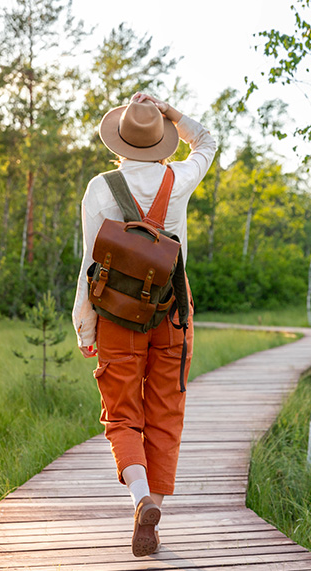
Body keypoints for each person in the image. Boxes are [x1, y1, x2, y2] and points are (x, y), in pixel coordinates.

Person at [72, 92, 216, 556]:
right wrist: (171, 112)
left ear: (119, 142)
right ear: (161, 143)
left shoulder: (99, 188)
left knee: (121, 410)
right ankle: (152, 510)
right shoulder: (179, 179)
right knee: (165, 408)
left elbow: (89, 263)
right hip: (173, 309)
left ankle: (139, 501)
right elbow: (207, 142)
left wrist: (84, 326)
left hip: (116, 312)